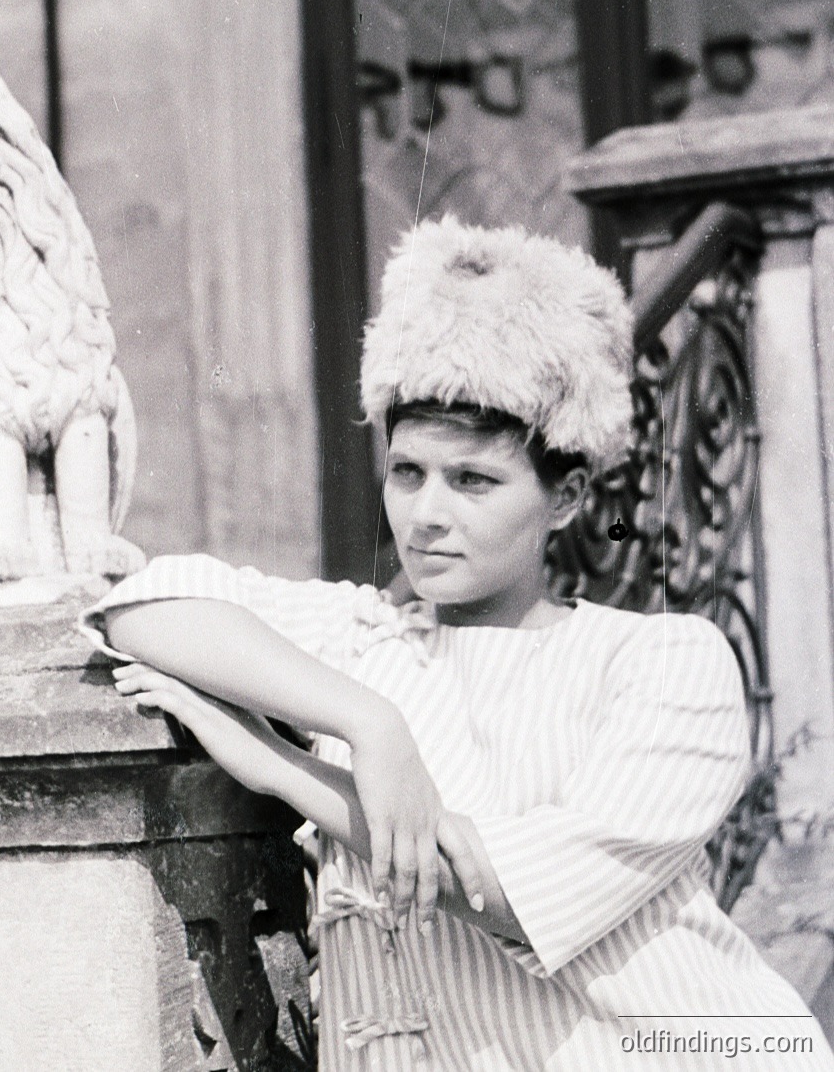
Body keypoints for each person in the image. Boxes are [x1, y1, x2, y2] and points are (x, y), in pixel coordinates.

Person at [82, 217, 834, 1070]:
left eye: (474, 479)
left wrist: (285, 768)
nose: (427, 514)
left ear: (569, 496)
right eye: (408, 472)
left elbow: (509, 895)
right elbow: (142, 603)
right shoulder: (362, 642)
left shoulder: (665, 665)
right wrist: (370, 724)